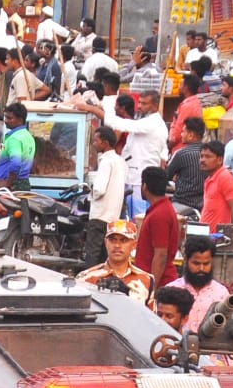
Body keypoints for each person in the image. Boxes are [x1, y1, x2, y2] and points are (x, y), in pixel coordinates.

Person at [76, 220, 154, 304]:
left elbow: (150, 316)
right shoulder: (85, 278)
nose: (117, 245)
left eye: (123, 240)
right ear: (106, 243)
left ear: (134, 245)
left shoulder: (147, 280)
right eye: (113, 240)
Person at [166, 235, 230, 331]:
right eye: (196, 263)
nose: (201, 269)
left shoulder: (221, 293)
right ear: (186, 260)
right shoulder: (172, 289)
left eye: (206, 264)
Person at [86, 126, 127, 266]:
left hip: (99, 216)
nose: (94, 143)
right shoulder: (119, 161)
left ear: (105, 143)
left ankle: (87, 283)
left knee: (92, 255)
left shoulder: (106, 162)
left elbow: (99, 190)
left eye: (96, 141)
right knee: (105, 257)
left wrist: (90, 191)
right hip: (112, 217)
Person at [135, 166, 179, 291]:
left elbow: (161, 255)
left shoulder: (160, 214)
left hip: (160, 284)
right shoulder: (160, 209)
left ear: (145, 186)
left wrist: (152, 289)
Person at [165, 117, 207, 211]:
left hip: (182, 203)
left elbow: (166, 175)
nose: (181, 134)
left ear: (191, 135)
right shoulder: (209, 154)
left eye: (183, 131)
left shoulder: (181, 153)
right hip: (203, 204)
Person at [198, 140, 233, 226]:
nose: (202, 160)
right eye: (201, 156)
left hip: (217, 237)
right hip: (206, 235)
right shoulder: (209, 179)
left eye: (208, 157)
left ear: (219, 160)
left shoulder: (225, 177)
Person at [0, 102, 35, 190]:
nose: (6, 120)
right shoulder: (27, 136)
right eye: (5, 117)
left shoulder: (15, 139)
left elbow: (15, 164)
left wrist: (7, 184)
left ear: (20, 119)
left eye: (9, 118)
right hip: (23, 182)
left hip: (11, 185)